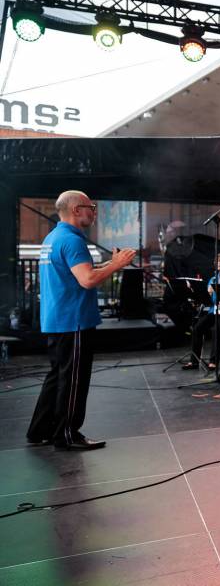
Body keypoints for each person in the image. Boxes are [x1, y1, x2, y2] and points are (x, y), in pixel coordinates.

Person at [26, 190, 136, 450]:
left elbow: (79, 272)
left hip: (57, 319)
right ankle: (67, 435)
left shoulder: (53, 237)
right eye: (91, 207)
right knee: (73, 379)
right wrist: (116, 265)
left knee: (57, 376)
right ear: (76, 210)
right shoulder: (73, 241)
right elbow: (87, 280)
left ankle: (40, 429)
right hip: (73, 320)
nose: (94, 212)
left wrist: (111, 263)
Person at [184, 251, 220, 371]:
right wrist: (206, 293)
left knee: (216, 328)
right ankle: (194, 361)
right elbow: (208, 300)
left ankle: (213, 361)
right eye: (217, 262)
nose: (218, 264)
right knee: (197, 328)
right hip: (214, 311)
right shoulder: (213, 279)